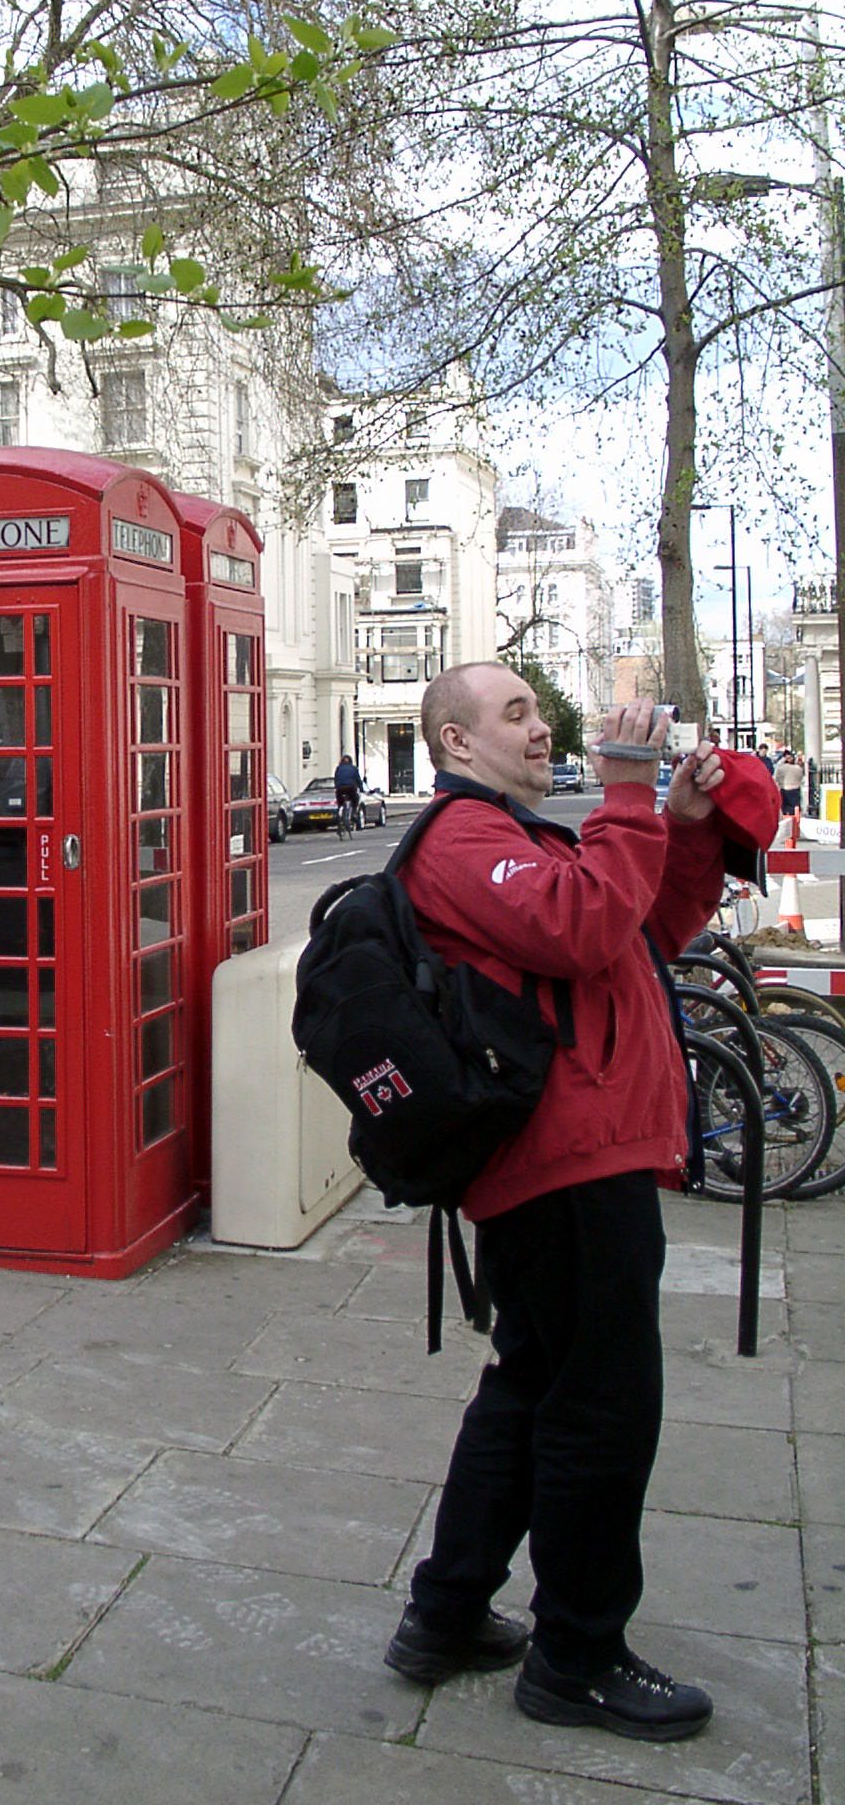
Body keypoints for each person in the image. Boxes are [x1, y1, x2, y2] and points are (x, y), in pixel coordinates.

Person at [381, 660, 731, 1742]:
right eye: (517, 712)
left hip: (581, 1153)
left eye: (539, 710)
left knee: (532, 1388)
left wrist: (677, 829)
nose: (542, 728)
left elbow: (637, 935)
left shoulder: (518, 836)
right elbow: (580, 928)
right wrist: (625, 788)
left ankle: (445, 1614)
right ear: (455, 741)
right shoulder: (460, 840)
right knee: (602, 1411)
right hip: (567, 1162)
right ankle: (577, 1655)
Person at [332, 752, 363, 830]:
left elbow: (336, 779)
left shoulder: (338, 768)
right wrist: (361, 788)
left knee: (340, 802)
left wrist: (336, 787)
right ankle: (354, 814)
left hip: (340, 788)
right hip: (350, 788)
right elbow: (358, 780)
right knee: (355, 800)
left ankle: (339, 812)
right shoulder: (354, 768)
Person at [775, 747, 805, 823]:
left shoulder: (780, 768)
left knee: (785, 809)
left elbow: (776, 778)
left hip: (784, 789)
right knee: (795, 809)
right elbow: (801, 778)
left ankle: (786, 821)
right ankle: (796, 822)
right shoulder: (798, 768)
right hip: (795, 790)